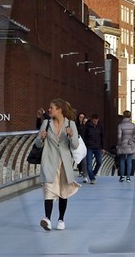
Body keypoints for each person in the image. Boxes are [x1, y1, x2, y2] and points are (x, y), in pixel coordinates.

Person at [36, 98, 81, 230]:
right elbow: (38, 144)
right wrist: (41, 138)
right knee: (48, 189)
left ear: (59, 110)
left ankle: (61, 219)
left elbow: (75, 145)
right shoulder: (46, 123)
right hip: (49, 161)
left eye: (51, 108)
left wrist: (71, 135)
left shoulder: (70, 124)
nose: (49, 110)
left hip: (64, 162)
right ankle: (47, 219)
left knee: (63, 191)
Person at [80, 112, 105, 184]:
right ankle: (92, 178)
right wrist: (85, 145)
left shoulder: (100, 126)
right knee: (89, 164)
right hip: (89, 147)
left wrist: (103, 147)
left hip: (98, 147)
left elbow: (102, 136)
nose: (95, 122)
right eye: (94, 121)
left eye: (96, 121)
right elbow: (83, 136)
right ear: (91, 120)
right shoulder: (87, 126)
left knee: (99, 162)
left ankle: (93, 173)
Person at [115, 110, 135, 182]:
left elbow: (119, 136)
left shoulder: (120, 125)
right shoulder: (133, 125)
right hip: (130, 144)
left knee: (122, 160)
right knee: (129, 161)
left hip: (123, 144)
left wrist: (118, 145)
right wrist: (133, 139)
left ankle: (122, 177)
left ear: (123, 116)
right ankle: (128, 177)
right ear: (130, 116)